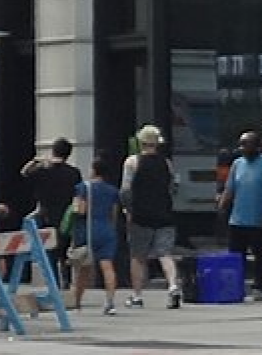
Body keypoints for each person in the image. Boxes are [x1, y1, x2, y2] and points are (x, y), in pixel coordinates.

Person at [121, 122, 182, 308]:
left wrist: (128, 210)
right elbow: (174, 188)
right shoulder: (166, 163)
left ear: (141, 142)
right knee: (165, 253)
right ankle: (172, 286)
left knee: (138, 256)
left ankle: (137, 295)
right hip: (164, 214)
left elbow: (125, 190)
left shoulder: (132, 162)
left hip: (140, 215)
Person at [220, 130, 262, 298]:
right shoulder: (237, 163)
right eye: (241, 144)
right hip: (238, 218)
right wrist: (223, 205)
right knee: (236, 255)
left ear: (257, 146)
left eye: (246, 144)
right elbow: (230, 188)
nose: (242, 148)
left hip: (258, 218)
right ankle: (236, 286)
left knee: (260, 254)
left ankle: (259, 286)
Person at [68, 153, 125, 315]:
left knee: (83, 268)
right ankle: (110, 302)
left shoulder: (83, 187)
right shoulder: (113, 190)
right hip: (106, 228)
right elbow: (114, 214)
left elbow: (80, 210)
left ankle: (76, 302)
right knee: (107, 265)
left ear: (93, 170)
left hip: (87, 229)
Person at [20, 138, 85, 264]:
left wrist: (36, 160)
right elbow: (78, 195)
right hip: (66, 217)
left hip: (45, 215)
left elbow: (24, 173)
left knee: (48, 253)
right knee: (65, 252)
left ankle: (53, 280)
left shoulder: (42, 171)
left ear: (53, 151)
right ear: (68, 154)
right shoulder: (74, 173)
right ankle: (66, 280)